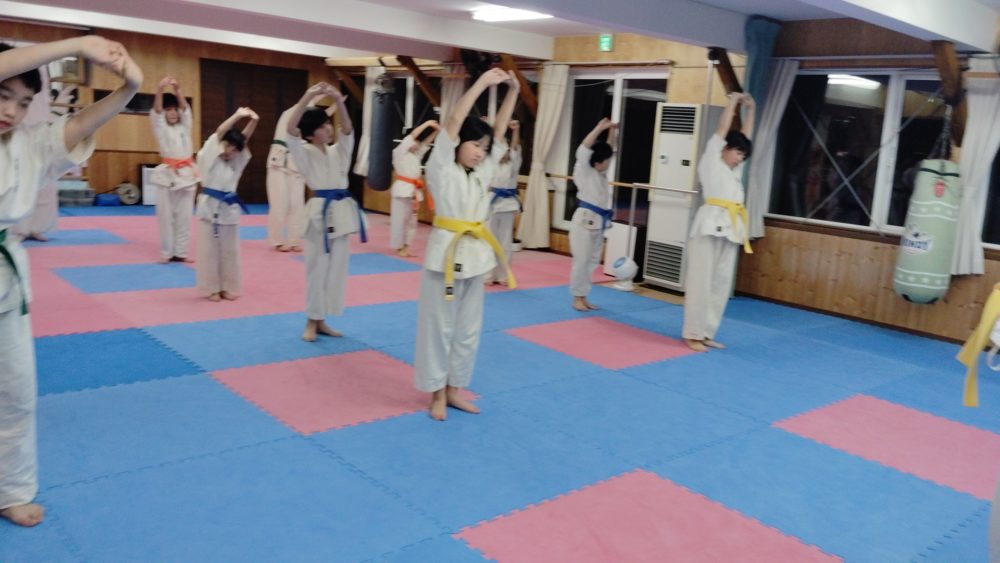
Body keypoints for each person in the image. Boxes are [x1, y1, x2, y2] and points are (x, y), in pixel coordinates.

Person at [0, 37, 142, 527]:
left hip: (6, 282)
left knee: (16, 393)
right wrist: (78, 44)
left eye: (24, 102)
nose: (12, 111)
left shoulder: (27, 144)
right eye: (4, 96)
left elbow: (81, 125)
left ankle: (12, 488)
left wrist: (131, 87)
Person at [414, 67, 519, 421]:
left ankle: (455, 389)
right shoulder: (441, 168)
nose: (480, 153)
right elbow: (455, 121)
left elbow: (500, 132)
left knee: (468, 329)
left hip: (476, 255)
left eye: (484, 149)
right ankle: (436, 392)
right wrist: (482, 84)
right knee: (438, 327)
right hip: (444, 256)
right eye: (475, 145)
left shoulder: (483, 172)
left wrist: (513, 90)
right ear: (458, 144)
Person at [285, 82, 359, 342]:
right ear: (309, 134)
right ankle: (310, 319)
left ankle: (322, 319)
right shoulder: (303, 152)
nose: (328, 129)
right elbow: (290, 129)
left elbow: (347, 130)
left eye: (328, 124)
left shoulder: (338, 151)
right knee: (316, 269)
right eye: (322, 126)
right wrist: (309, 95)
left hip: (342, 213)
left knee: (336, 271)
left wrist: (338, 100)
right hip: (318, 214)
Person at [682, 92, 755, 352]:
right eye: (737, 152)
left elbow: (745, 137)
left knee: (720, 284)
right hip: (708, 227)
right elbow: (722, 129)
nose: (740, 158)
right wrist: (732, 103)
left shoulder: (735, 171)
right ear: (724, 147)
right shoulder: (711, 160)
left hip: (731, 229)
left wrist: (752, 110)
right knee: (701, 281)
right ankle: (692, 333)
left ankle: (706, 332)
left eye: (743, 156)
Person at [194, 107, 258, 302]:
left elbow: (244, 140)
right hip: (209, 208)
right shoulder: (208, 156)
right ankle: (212, 288)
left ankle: (228, 287)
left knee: (230, 252)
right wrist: (237, 115)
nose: (231, 151)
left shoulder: (236, 161)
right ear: (221, 143)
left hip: (229, 209)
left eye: (235, 149)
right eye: (228, 145)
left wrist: (254, 121)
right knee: (209, 252)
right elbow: (220, 131)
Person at [267, 98, 336, 253]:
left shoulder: (308, 126)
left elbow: (318, 121)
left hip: (296, 165)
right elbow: (302, 110)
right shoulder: (289, 115)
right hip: (278, 163)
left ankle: (294, 239)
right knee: (279, 204)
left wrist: (335, 105)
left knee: (297, 205)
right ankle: (278, 240)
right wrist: (314, 96)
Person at [569, 118, 617, 312]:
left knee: (592, 261)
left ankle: (584, 295)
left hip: (598, 222)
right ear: (597, 161)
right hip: (583, 221)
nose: (608, 163)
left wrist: (612, 132)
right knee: (581, 261)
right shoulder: (585, 169)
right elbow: (584, 148)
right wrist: (599, 128)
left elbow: (609, 151)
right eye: (605, 161)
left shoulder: (600, 174)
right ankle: (576, 297)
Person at [150, 76, 198, 263]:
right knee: (166, 217)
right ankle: (166, 253)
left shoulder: (184, 126)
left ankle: (181, 253)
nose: (172, 113)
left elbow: (186, 110)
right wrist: (160, 89)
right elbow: (157, 111)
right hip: (167, 174)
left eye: (174, 109)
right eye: (168, 110)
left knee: (185, 217)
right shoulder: (160, 127)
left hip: (187, 174)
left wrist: (178, 90)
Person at [389, 119, 439, 257]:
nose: (416, 144)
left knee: (412, 221)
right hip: (402, 190)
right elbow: (412, 136)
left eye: (417, 142)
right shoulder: (399, 152)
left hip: (414, 191)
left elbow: (426, 143)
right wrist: (427, 124)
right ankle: (399, 246)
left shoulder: (415, 156)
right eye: (414, 141)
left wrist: (436, 131)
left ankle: (407, 246)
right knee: (400, 220)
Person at [485, 119, 522, 285]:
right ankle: (488, 275)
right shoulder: (490, 162)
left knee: (505, 242)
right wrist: (487, 128)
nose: (505, 154)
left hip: (507, 204)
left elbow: (515, 148)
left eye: (507, 150)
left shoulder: (513, 164)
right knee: (489, 240)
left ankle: (504, 275)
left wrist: (516, 130)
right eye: (501, 151)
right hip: (491, 204)